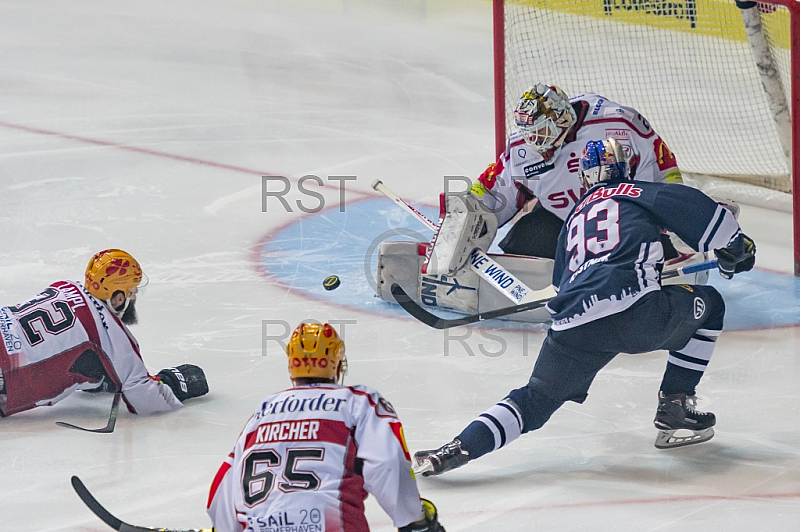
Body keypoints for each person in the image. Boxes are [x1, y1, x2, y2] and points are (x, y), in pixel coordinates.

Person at [413, 138, 756, 477]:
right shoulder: (639, 192)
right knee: (711, 307)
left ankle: (456, 449)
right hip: (638, 313)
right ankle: (675, 401)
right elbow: (713, 220)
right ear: (627, 167)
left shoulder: (574, 220)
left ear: (586, 177)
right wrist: (737, 248)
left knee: (534, 400)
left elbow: (563, 284)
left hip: (573, 325)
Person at [207, 321, 445, 532]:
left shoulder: (262, 413)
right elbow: (387, 463)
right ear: (337, 364)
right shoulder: (358, 402)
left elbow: (222, 490)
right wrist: (413, 519)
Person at [471, 82, 684, 260]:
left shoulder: (618, 124)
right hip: (567, 228)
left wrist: (671, 222)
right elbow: (496, 189)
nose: (534, 142)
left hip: (622, 227)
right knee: (524, 237)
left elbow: (663, 171)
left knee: (651, 248)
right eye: (529, 133)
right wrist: (468, 215)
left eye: (541, 131)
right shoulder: (521, 147)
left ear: (561, 118)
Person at [0, 249, 208, 417]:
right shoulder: (110, 333)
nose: (132, 300)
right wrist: (172, 382)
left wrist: (96, 378)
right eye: (132, 293)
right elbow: (145, 398)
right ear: (118, 297)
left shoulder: (64, 286)